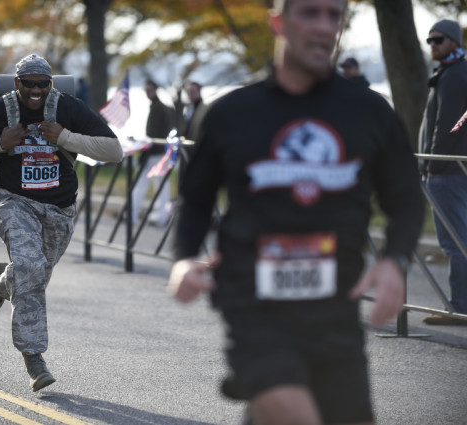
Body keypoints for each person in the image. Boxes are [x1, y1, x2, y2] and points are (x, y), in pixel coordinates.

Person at [168, 1, 424, 424]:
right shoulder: (231, 113)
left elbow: (407, 199)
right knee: (295, 414)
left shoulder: (370, 111)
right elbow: (196, 198)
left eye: (334, 15)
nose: (324, 27)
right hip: (254, 307)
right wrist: (182, 259)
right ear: (277, 22)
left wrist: (395, 261)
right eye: (310, 13)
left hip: (335, 314)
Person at [0, 54, 123, 392]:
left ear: (50, 84)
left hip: (60, 209)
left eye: (43, 84)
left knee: (34, 274)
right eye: (29, 83)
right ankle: (34, 359)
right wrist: (0, 144)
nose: (36, 90)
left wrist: (65, 138)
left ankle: (1, 281)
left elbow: (114, 151)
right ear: (17, 84)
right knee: (29, 266)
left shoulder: (67, 109)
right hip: (15, 202)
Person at [418, 19, 467, 325]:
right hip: (456, 168)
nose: (432, 45)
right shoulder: (455, 72)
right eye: (429, 41)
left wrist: (431, 167)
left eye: (437, 40)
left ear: (452, 41)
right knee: (461, 237)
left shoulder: (451, 77)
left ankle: (460, 306)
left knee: (455, 241)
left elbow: (446, 127)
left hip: (446, 172)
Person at [131, 79, 175, 228]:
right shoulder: (158, 107)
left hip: (156, 152)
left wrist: (147, 149)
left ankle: (157, 216)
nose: (147, 92)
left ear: (155, 89)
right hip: (156, 151)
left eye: (150, 89)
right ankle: (154, 216)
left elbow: (157, 133)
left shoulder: (160, 108)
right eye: (146, 89)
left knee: (153, 185)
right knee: (158, 186)